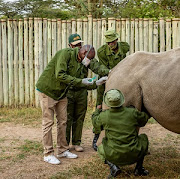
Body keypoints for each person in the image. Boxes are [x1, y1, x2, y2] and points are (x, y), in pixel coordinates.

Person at [36, 44, 108, 165]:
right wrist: (81, 81)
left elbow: (80, 82)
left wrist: (97, 83)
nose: (89, 61)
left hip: (62, 93)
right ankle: (48, 153)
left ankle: (62, 150)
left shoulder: (81, 62)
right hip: (48, 90)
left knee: (63, 121)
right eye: (89, 58)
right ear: (83, 52)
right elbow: (60, 74)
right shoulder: (65, 54)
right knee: (48, 122)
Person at [66, 34, 110, 152]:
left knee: (79, 118)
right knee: (67, 118)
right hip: (68, 91)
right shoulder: (66, 56)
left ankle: (76, 142)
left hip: (81, 91)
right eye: (75, 45)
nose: (78, 47)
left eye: (79, 44)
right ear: (70, 45)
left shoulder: (86, 56)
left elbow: (98, 67)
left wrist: (110, 72)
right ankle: (64, 144)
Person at [92, 89, 150, 178]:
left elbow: (96, 124)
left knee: (100, 147)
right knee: (144, 138)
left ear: (107, 102)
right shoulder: (132, 113)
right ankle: (139, 168)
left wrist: (97, 111)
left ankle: (113, 167)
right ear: (121, 100)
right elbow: (143, 120)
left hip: (113, 155)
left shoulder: (104, 116)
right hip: (134, 154)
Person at [92, 29, 130, 151]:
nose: (110, 44)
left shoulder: (124, 47)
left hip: (123, 79)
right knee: (100, 107)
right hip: (106, 78)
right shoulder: (101, 52)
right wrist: (111, 74)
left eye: (112, 42)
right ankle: (96, 134)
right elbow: (103, 67)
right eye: (108, 42)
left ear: (116, 40)